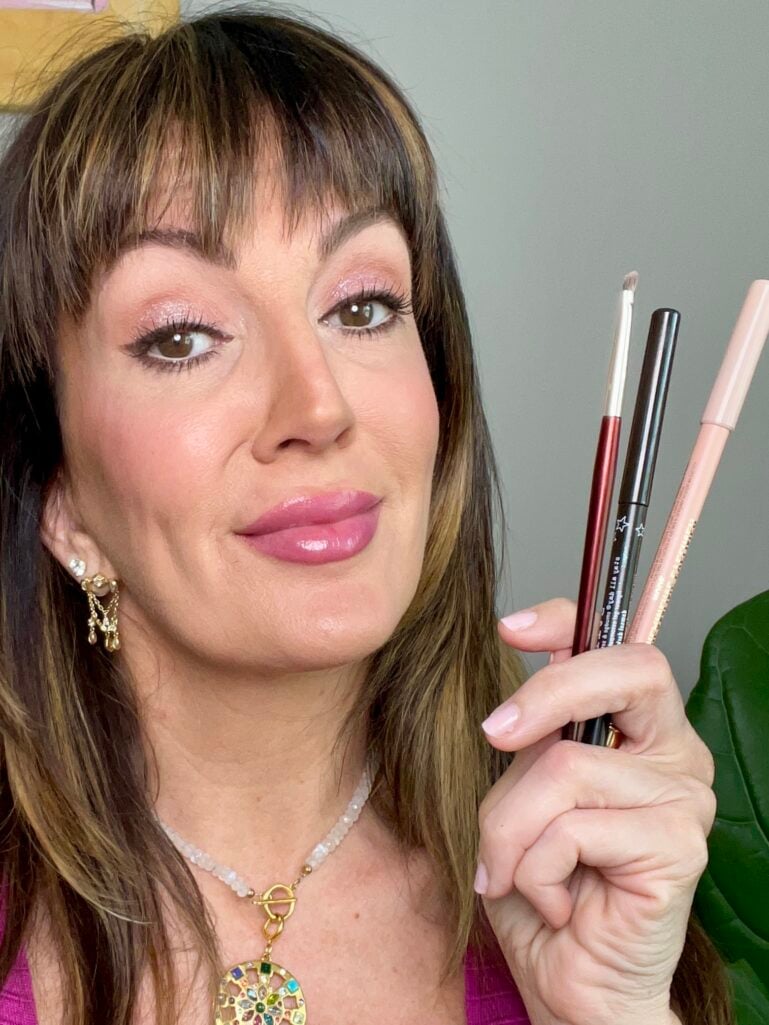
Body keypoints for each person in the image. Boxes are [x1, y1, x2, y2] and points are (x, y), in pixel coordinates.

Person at [0, 6, 734, 1024]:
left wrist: (615, 1011)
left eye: (362, 307)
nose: (319, 406)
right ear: (63, 502)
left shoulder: (565, 894)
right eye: (180, 336)